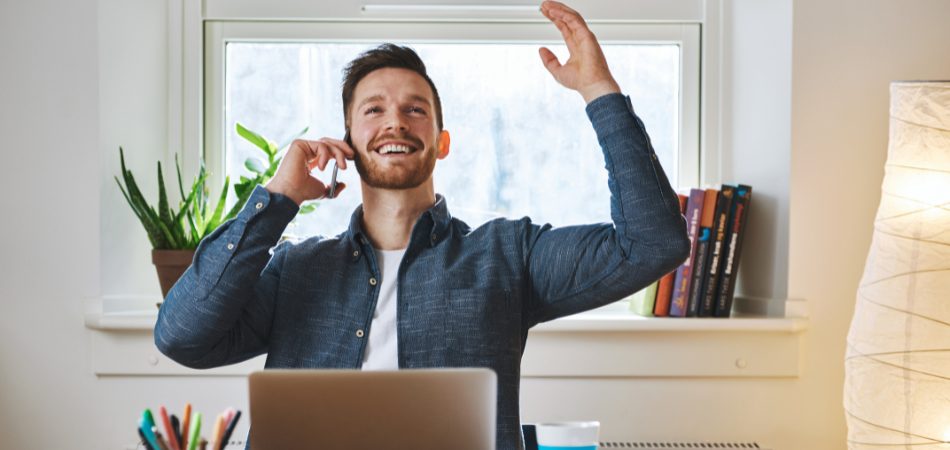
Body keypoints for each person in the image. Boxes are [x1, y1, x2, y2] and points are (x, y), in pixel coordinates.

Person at [155, 2, 690, 449]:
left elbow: (653, 242)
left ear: (442, 141)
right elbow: (181, 337)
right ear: (347, 141)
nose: (395, 121)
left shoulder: (508, 256)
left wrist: (598, 88)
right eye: (374, 110)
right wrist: (277, 199)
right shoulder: (297, 268)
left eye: (415, 110)